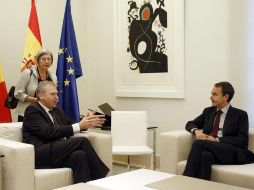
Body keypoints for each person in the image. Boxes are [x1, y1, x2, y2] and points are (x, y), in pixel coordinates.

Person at [22, 81, 110, 183]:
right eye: (52, 94)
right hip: (41, 153)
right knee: (82, 141)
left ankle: (83, 188)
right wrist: (79, 126)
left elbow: (71, 124)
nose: (57, 97)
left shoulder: (56, 110)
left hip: (58, 150)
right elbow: (48, 132)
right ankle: (103, 180)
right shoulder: (32, 110)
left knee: (80, 155)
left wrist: (86, 123)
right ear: (40, 96)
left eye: (57, 94)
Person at [183, 81, 254, 180]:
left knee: (199, 143)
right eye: (211, 93)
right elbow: (190, 124)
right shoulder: (208, 111)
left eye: (215, 94)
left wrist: (217, 140)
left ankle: (184, 181)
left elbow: (242, 140)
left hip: (231, 151)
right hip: (212, 150)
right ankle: (203, 187)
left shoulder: (240, 115)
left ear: (225, 97)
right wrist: (196, 131)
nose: (211, 97)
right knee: (205, 156)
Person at [14, 49, 57, 121]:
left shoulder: (53, 77)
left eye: (49, 59)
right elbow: (17, 93)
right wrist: (36, 100)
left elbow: (53, 95)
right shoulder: (28, 73)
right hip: (27, 113)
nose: (46, 62)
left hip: (45, 115)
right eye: (43, 59)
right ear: (37, 61)